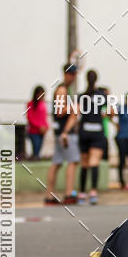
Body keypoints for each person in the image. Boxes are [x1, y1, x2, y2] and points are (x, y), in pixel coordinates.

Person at [45, 63, 80, 205]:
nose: (73, 77)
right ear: (66, 74)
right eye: (71, 74)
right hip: (65, 133)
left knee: (57, 163)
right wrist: (73, 107)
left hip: (61, 132)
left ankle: (49, 195)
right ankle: (68, 193)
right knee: (72, 162)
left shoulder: (65, 89)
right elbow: (59, 112)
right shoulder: (62, 90)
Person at [77, 70, 107, 205]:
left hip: (84, 131)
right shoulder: (102, 95)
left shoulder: (81, 96)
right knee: (94, 162)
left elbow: (76, 113)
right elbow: (110, 111)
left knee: (84, 163)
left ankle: (82, 193)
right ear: (97, 80)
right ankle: (93, 193)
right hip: (97, 131)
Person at [26, 85, 48, 160]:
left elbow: (44, 117)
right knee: (36, 148)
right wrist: (39, 126)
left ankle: (35, 159)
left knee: (38, 150)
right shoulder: (30, 104)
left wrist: (46, 127)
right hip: (34, 131)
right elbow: (30, 118)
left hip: (42, 132)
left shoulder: (43, 104)